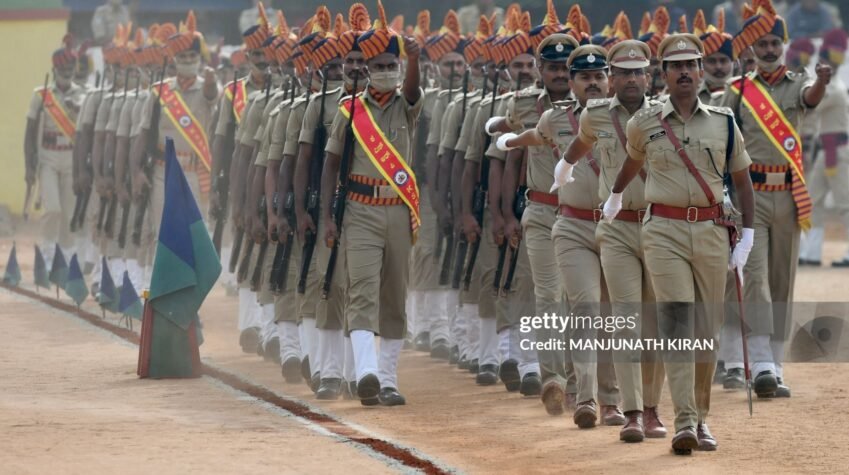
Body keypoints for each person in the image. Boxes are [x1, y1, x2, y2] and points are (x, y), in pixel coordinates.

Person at [606, 33, 755, 454]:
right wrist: (615, 198)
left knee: (706, 330)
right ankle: (685, 423)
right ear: (663, 74)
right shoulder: (645, 122)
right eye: (676, 66)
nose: (685, 71)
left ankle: (701, 418)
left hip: (710, 232)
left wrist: (748, 235)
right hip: (663, 232)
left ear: (702, 70)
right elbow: (633, 163)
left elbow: (742, 181)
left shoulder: (724, 121)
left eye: (692, 64)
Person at [721, 0, 831, 399]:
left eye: (775, 43)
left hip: (788, 195)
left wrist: (821, 81)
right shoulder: (738, 91)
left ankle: (776, 364)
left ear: (784, 45)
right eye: (762, 44)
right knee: (755, 280)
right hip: (749, 196)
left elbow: (811, 98)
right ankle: (761, 363)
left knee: (782, 281)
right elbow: (723, 138)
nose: (769, 50)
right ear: (752, 49)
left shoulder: (797, 83)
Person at [320, 0, 422, 407]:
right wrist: (329, 216)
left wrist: (412, 57)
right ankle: (365, 372)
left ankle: (388, 377)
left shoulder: (407, 106)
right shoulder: (350, 110)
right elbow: (330, 166)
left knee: (394, 295)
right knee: (361, 289)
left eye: (390, 65)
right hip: (359, 211)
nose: (385, 72)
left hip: (397, 210)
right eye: (377, 65)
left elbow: (413, 89)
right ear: (366, 70)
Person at [130, 10, 218, 288]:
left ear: (199, 60)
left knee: (195, 235)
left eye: (192, 58)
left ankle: (189, 296)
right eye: (183, 58)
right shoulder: (159, 92)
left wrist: (212, 82)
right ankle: (159, 290)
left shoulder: (209, 88)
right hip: (162, 172)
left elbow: (211, 96)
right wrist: (135, 172)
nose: (188, 62)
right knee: (163, 233)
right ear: (175, 61)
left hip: (194, 171)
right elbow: (143, 133)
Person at [25, 36, 86, 267]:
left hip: (71, 157)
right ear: (54, 68)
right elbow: (29, 131)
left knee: (69, 210)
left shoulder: (82, 94)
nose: (67, 71)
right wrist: (29, 166)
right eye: (63, 67)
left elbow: (85, 132)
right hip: (48, 157)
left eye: (70, 67)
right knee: (52, 208)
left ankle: (68, 253)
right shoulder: (41, 95)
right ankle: (49, 250)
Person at [798, 28, 849, 267]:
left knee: (844, 204)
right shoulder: (832, 84)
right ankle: (811, 252)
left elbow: (811, 105)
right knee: (813, 200)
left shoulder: (835, 88)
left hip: (838, 151)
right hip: (825, 150)